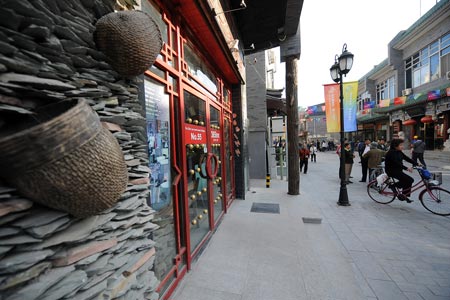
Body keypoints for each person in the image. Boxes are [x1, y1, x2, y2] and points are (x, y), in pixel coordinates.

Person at [384, 138, 417, 203]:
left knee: (409, 180)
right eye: (401, 145)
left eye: (402, 145)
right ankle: (392, 186)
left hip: (398, 170)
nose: (402, 146)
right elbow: (396, 163)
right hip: (392, 171)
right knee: (409, 180)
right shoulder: (391, 153)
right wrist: (407, 168)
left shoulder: (399, 152)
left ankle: (404, 196)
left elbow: (407, 158)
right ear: (395, 146)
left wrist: (416, 163)